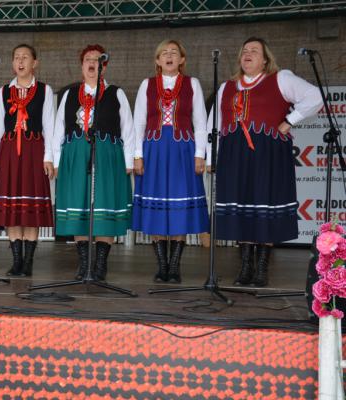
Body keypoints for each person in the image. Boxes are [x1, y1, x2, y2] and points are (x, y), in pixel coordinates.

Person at [211, 37, 322, 287]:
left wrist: (290, 121)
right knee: (242, 207)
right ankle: (246, 265)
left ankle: (261, 267)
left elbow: (315, 97)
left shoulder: (281, 78)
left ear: (265, 59)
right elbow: (214, 123)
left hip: (267, 155)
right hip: (234, 155)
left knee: (265, 204)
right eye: (244, 51)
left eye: (254, 51)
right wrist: (210, 154)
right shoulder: (226, 87)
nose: (248, 54)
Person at [53, 44, 135, 282]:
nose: (92, 63)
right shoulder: (70, 94)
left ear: (104, 65)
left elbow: (127, 129)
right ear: (82, 65)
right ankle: (84, 264)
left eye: (97, 60)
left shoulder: (115, 93)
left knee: (104, 206)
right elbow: (59, 129)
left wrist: (128, 160)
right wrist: (56, 161)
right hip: (76, 156)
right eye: (87, 59)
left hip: (107, 155)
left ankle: (100, 264)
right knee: (79, 207)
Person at [132, 39, 209, 284]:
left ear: (182, 59)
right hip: (153, 148)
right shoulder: (147, 84)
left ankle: (174, 266)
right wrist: (137, 155)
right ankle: (161, 265)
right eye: (163, 53)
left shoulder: (192, 84)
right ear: (157, 60)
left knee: (178, 207)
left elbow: (200, 123)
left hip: (182, 150)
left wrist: (200, 154)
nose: (169, 56)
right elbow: (139, 123)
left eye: (174, 53)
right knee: (157, 208)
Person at [0, 44, 55, 277]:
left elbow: (50, 126)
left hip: (34, 150)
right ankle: (17, 261)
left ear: (35, 63)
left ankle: (28, 262)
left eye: (25, 57)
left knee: (30, 208)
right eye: (17, 57)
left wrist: (49, 157)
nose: (21, 61)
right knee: (12, 207)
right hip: (8, 151)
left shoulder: (45, 90)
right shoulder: (3, 91)